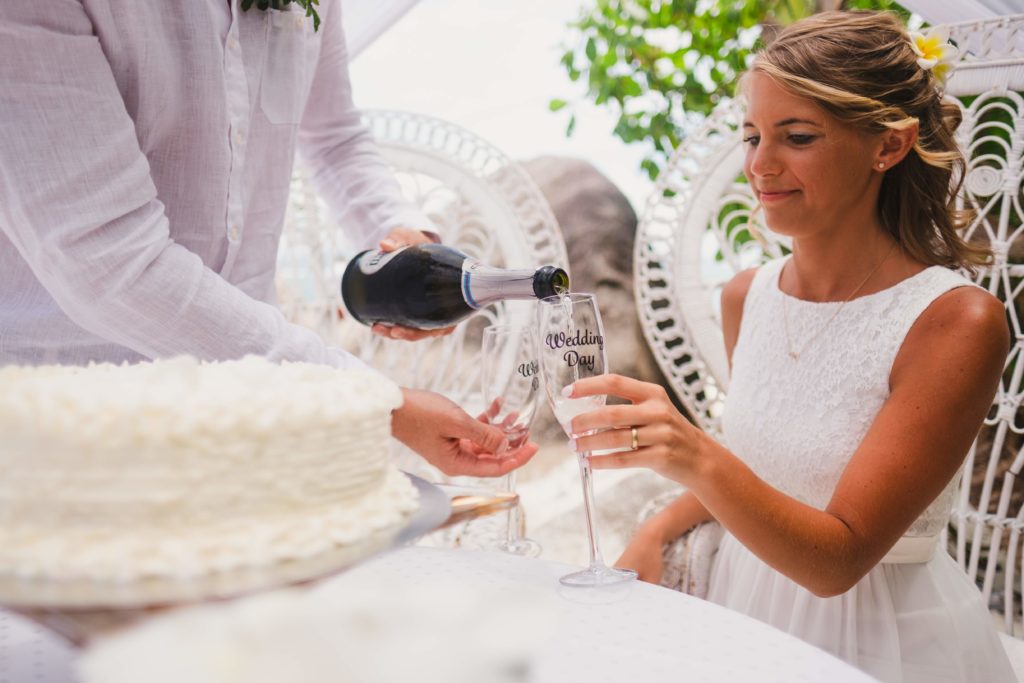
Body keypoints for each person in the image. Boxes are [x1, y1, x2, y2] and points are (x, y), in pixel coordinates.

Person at [562, 10, 1014, 683]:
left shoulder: (954, 322)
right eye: (751, 136)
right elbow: (763, 466)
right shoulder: (747, 296)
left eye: (797, 137)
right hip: (741, 604)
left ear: (888, 147)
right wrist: (658, 530)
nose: (760, 165)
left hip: (880, 638)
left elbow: (839, 560)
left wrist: (691, 451)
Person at [0, 1, 534, 478]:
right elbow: (110, 263)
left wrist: (402, 240)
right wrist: (376, 402)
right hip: (66, 433)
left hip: (254, 412)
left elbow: (334, 136)